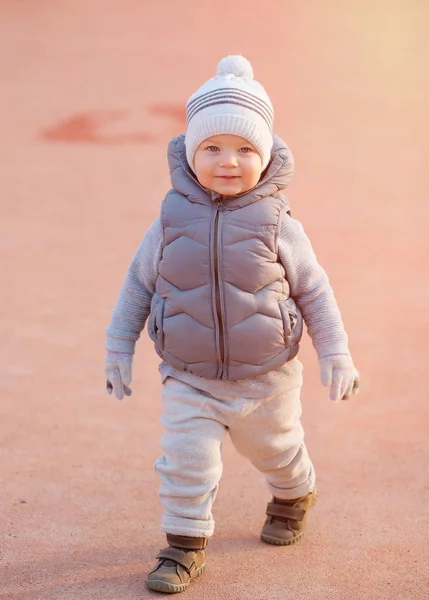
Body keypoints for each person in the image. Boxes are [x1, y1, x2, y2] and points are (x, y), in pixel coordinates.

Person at [105, 55, 360, 594]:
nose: (229, 160)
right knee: (187, 461)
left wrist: (335, 353)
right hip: (189, 375)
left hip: (266, 377)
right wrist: (117, 349)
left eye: (246, 148)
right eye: (212, 147)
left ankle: (295, 494)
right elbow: (137, 285)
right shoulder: (170, 220)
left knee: (278, 451)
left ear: (265, 155)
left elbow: (313, 289)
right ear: (191, 153)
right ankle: (183, 547)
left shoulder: (277, 223)